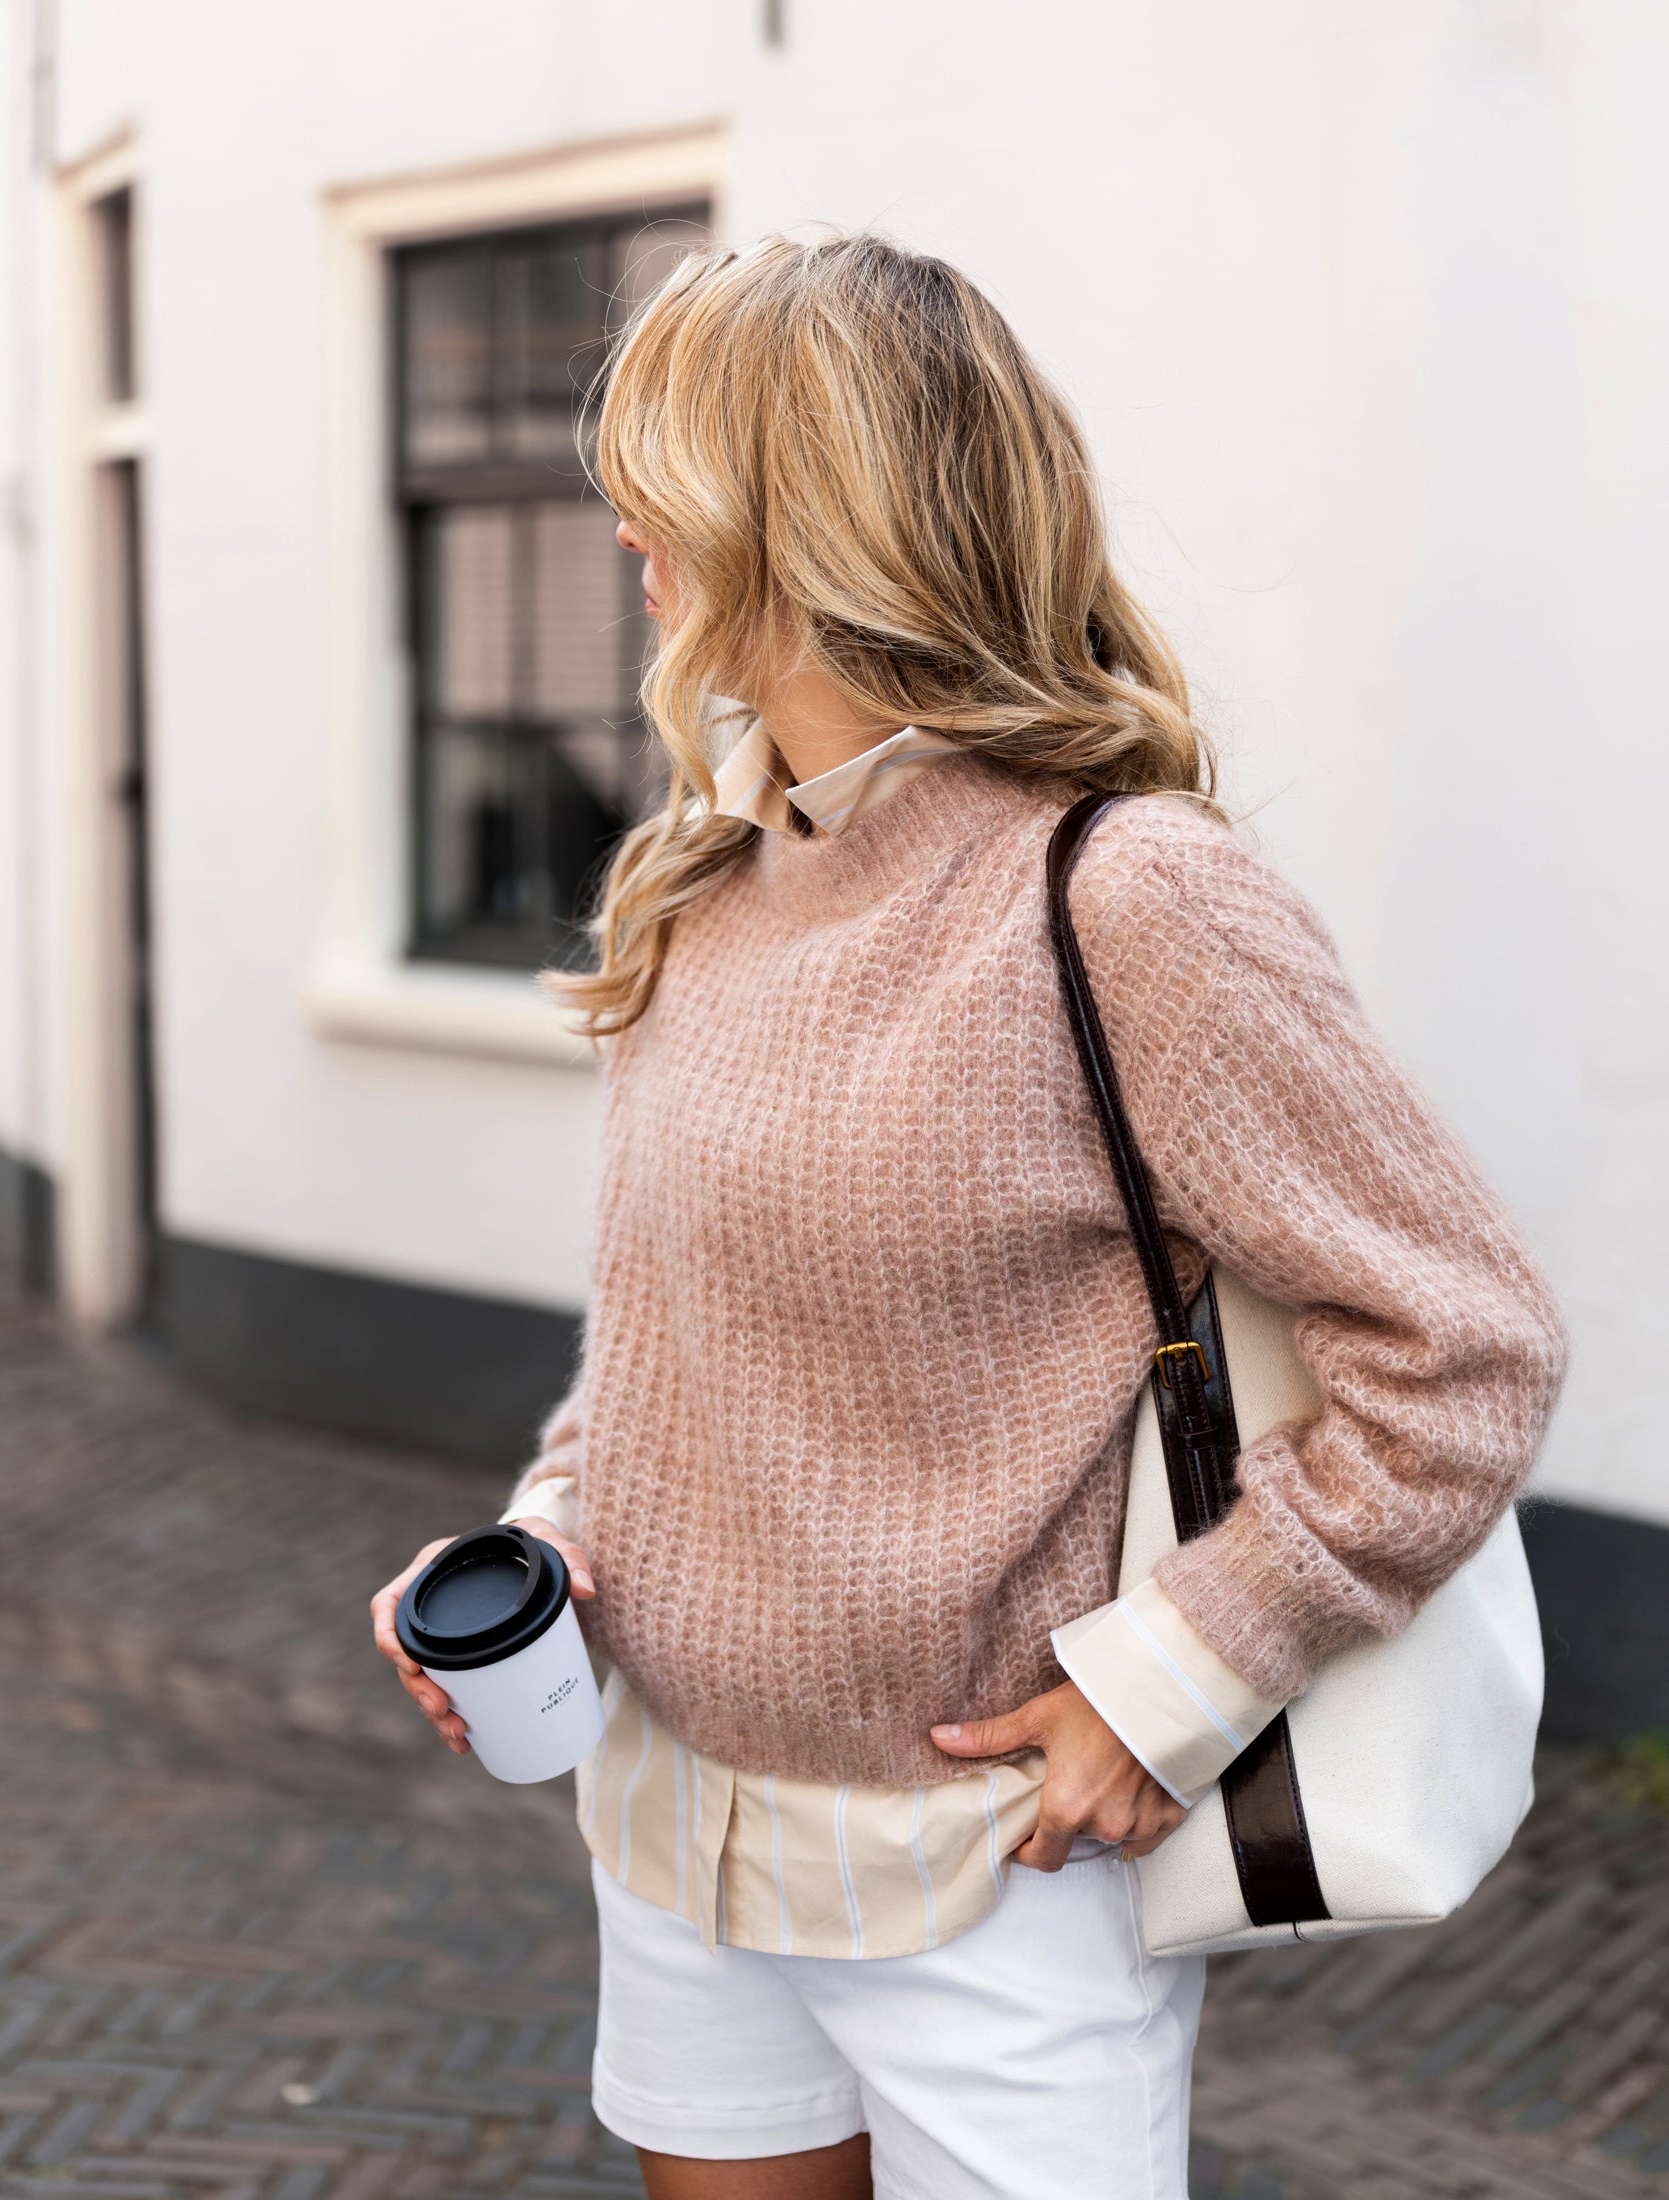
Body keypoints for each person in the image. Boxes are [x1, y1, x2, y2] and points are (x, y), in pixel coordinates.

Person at [372, 232, 1567, 2200]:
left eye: (660, 474)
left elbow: (1465, 1346)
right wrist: (540, 1545)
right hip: (672, 1820)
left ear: (800, 513)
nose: (618, 529)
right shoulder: (702, 885)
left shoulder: (1128, 897)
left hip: (990, 1876)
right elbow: (660, 1348)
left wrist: (1174, 1677)